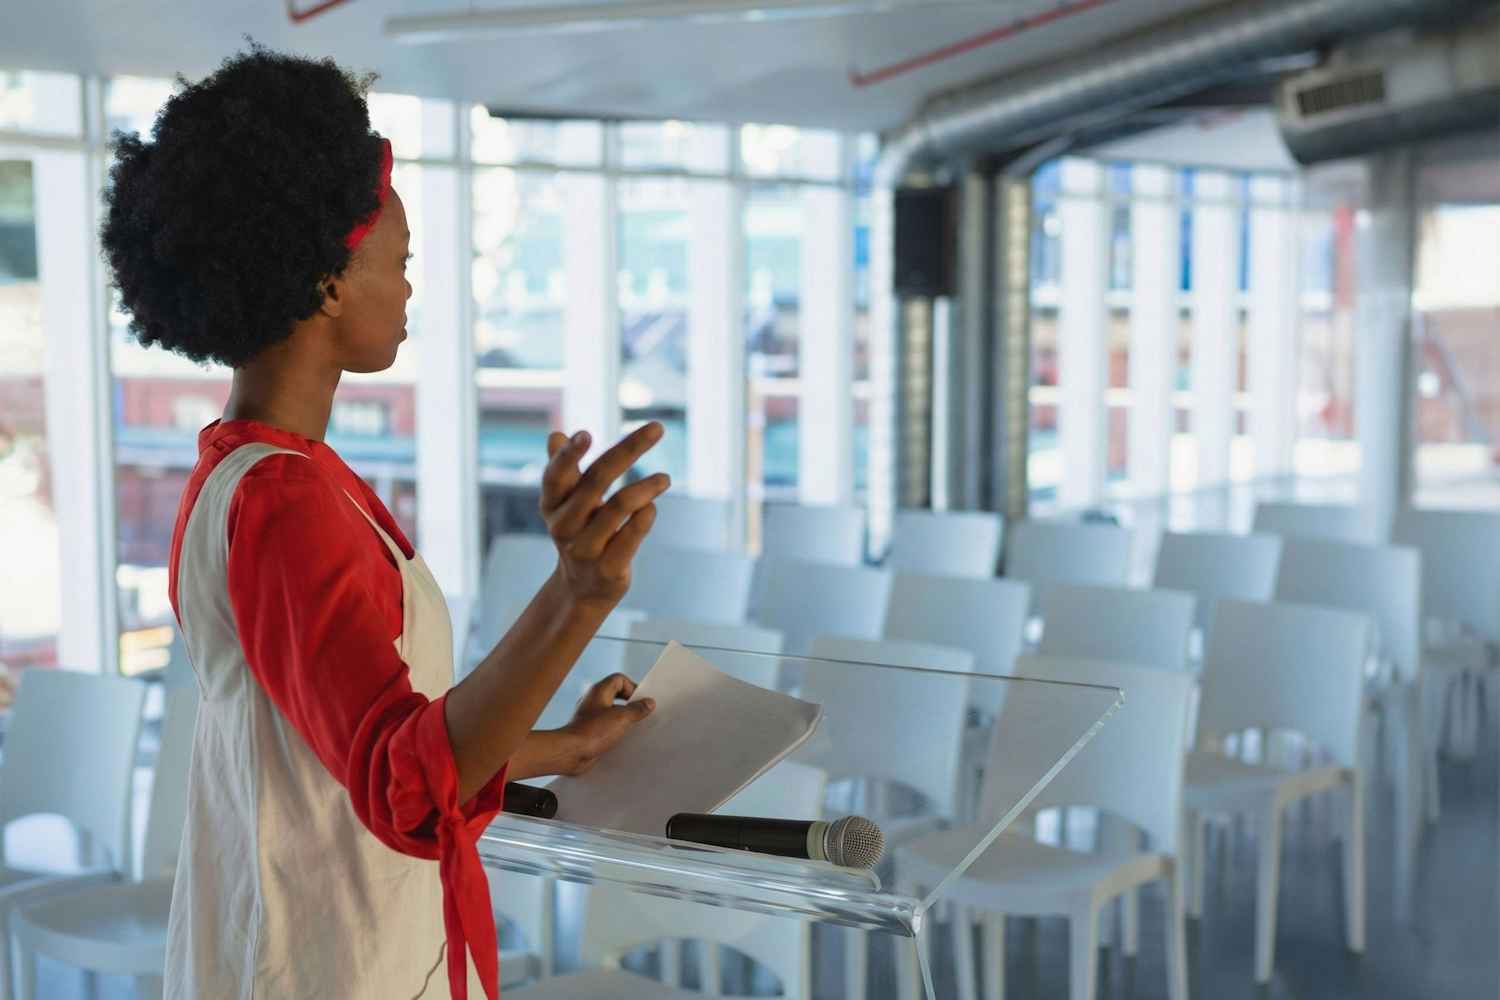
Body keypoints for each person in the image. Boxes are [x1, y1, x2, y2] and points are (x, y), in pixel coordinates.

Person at [101, 46, 670, 1000]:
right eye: (399, 263)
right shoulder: (285, 503)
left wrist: (561, 749)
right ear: (329, 281)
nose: (409, 290)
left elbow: (351, 740)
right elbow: (405, 785)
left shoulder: (244, 474)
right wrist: (577, 597)